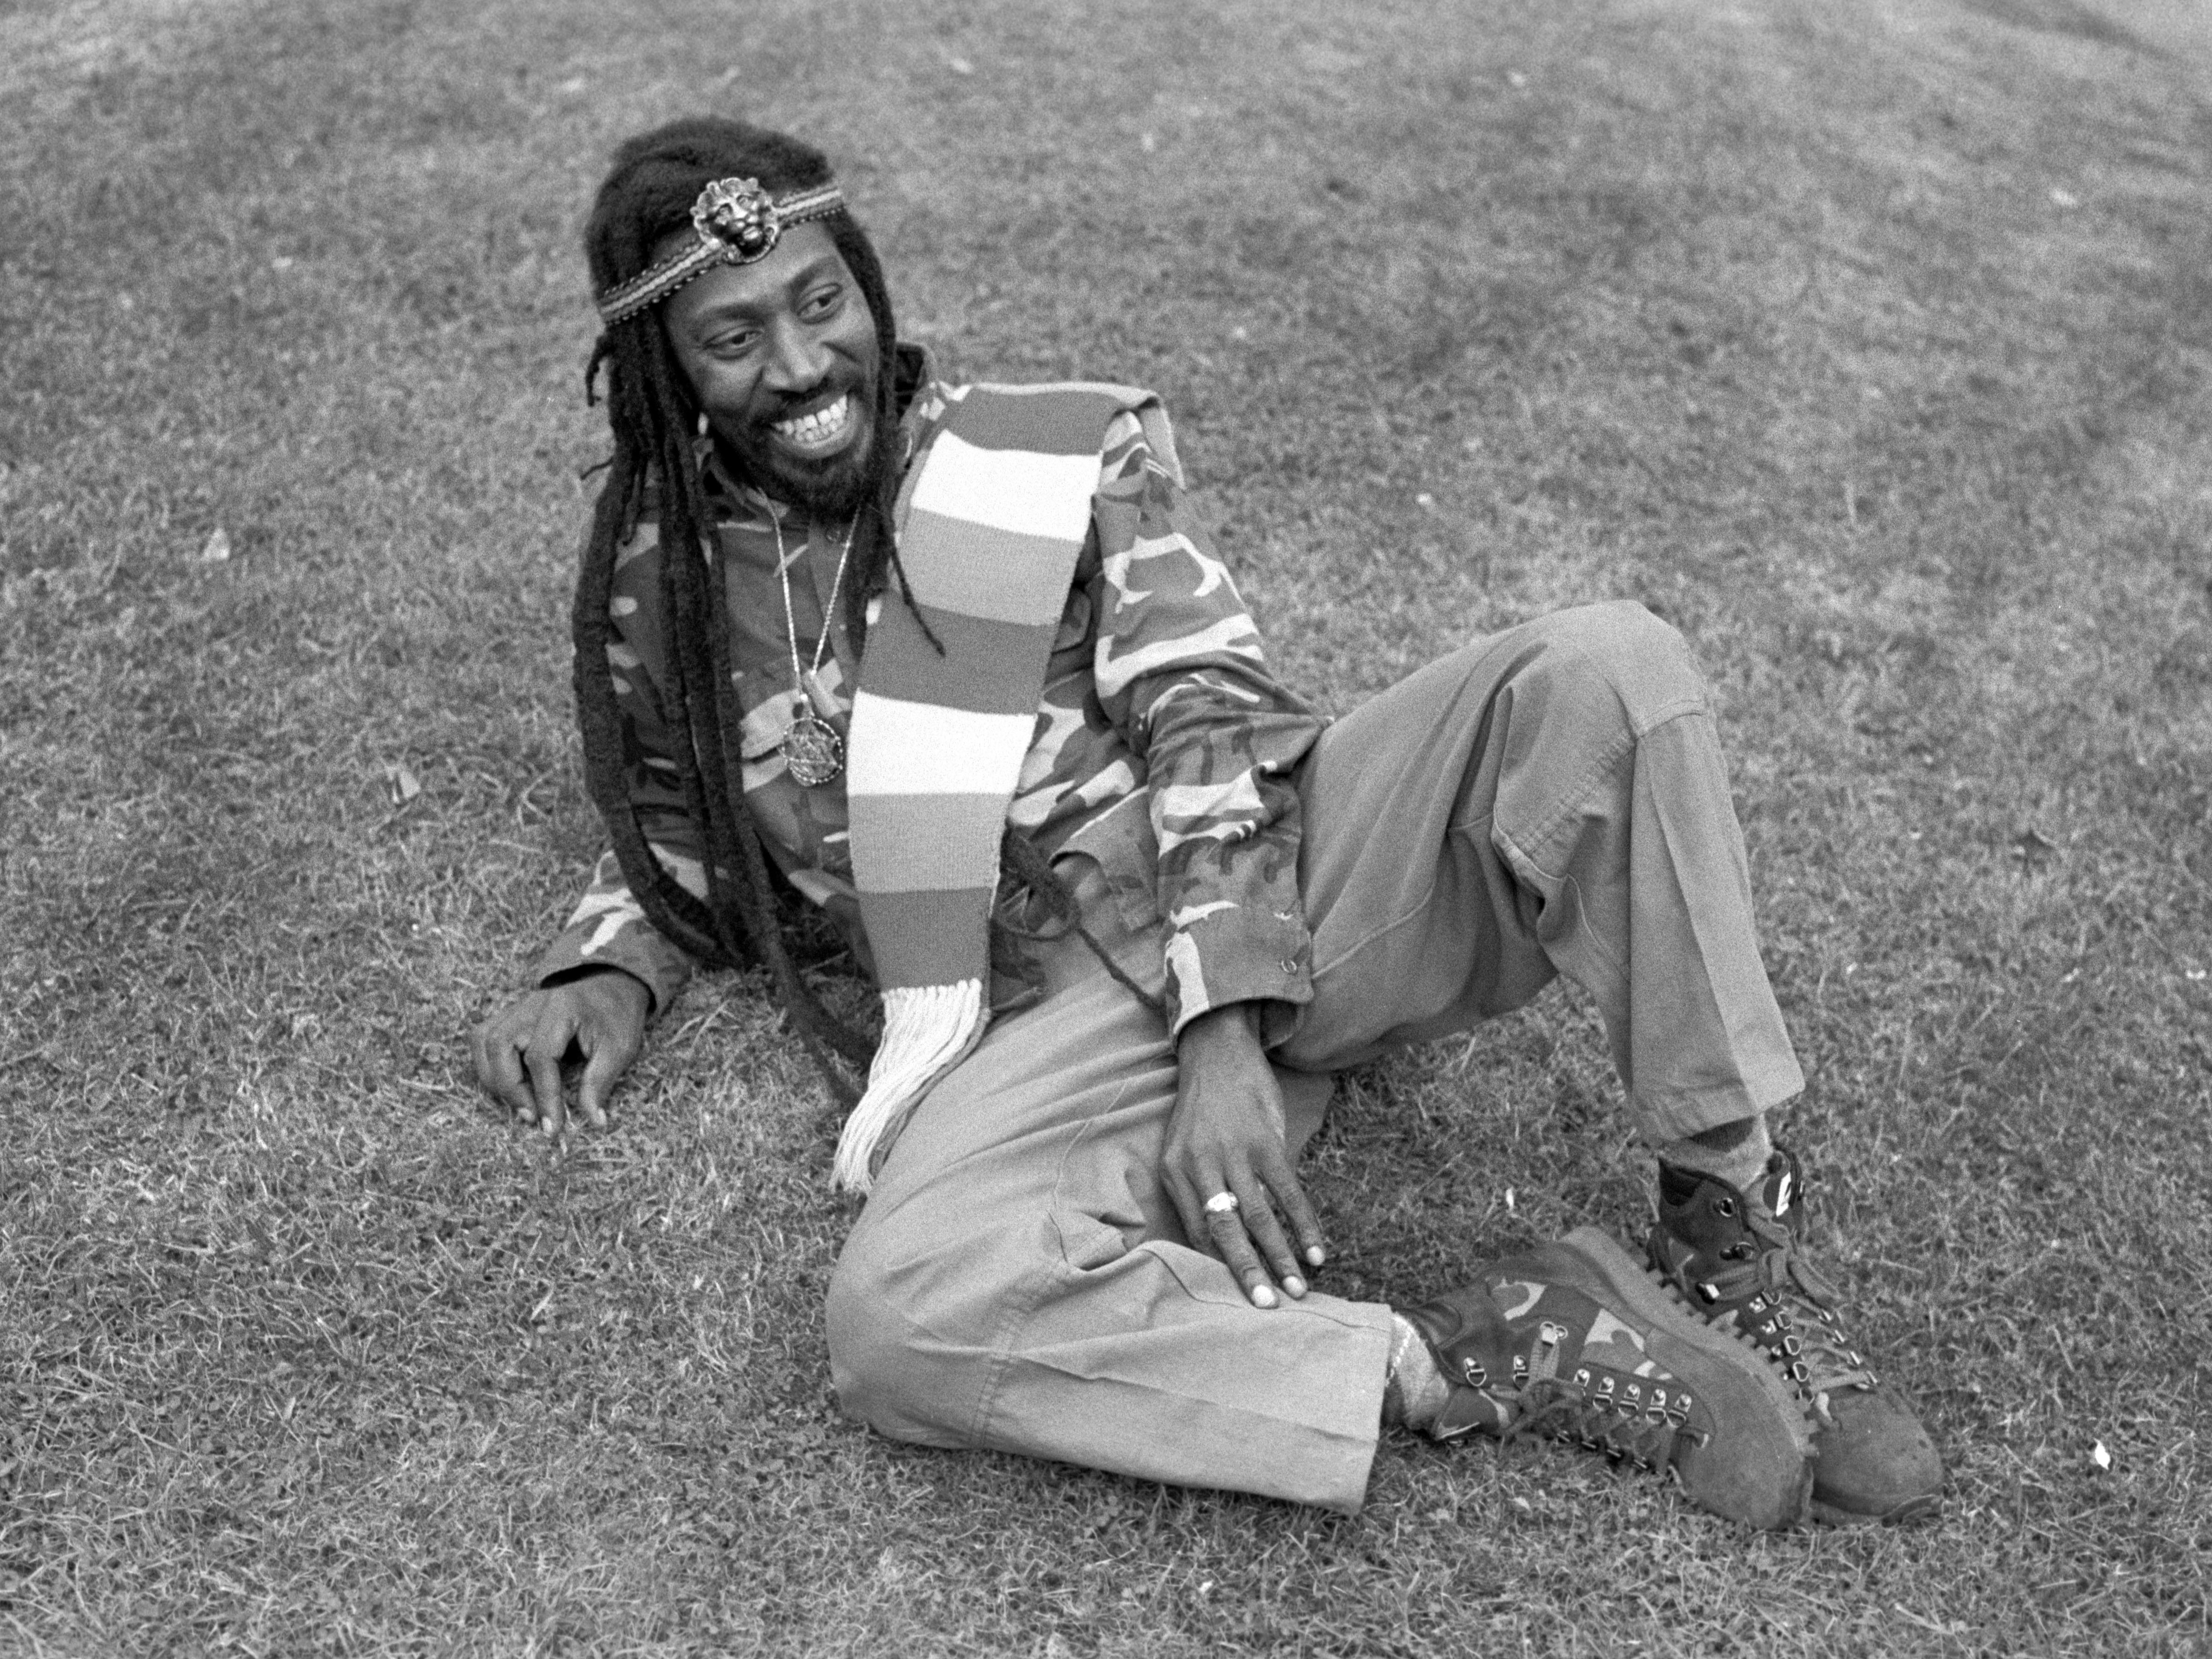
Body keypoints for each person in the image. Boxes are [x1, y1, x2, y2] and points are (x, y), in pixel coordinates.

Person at [472, 115, 1943, 1528]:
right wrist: (609, 958)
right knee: (899, 1314)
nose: (804, 365)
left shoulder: (1036, 461)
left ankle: (1728, 1229)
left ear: (865, 281)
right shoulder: (658, 578)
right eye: (735, 337)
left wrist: (1221, 1027)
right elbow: (683, 824)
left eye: (821, 300)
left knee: (1614, 672)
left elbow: (1208, 709)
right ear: (665, 367)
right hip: (1045, 1015)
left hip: (1281, 881)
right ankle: (1479, 1350)